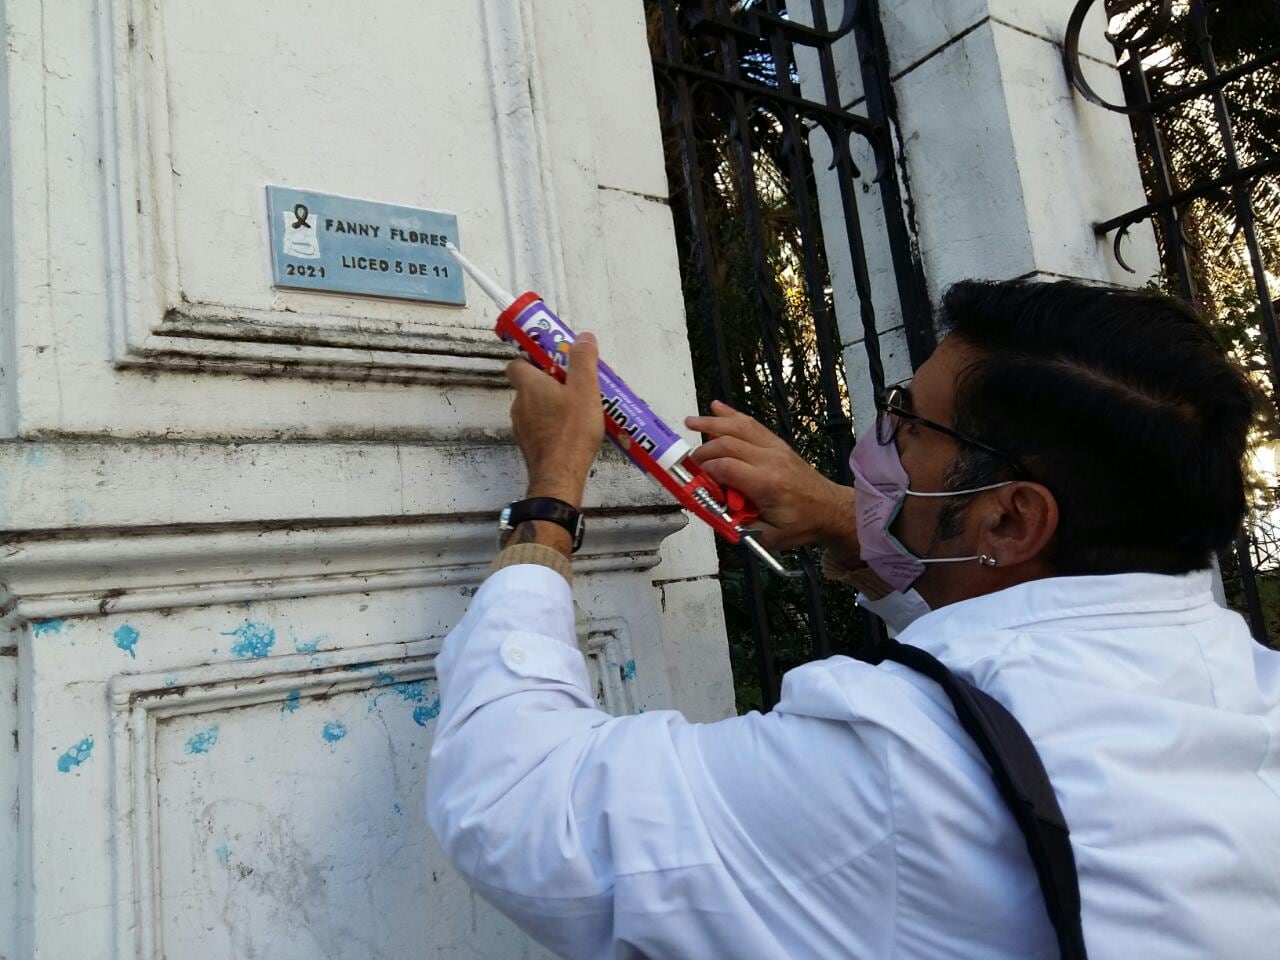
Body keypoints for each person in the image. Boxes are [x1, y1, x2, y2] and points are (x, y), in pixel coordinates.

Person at [426, 279, 1280, 959]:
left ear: (1012, 519)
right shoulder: (1248, 686)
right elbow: (1015, 658)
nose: (881, 435)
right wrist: (850, 521)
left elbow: (522, 808)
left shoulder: (902, 767)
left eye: (909, 422)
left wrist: (552, 489)